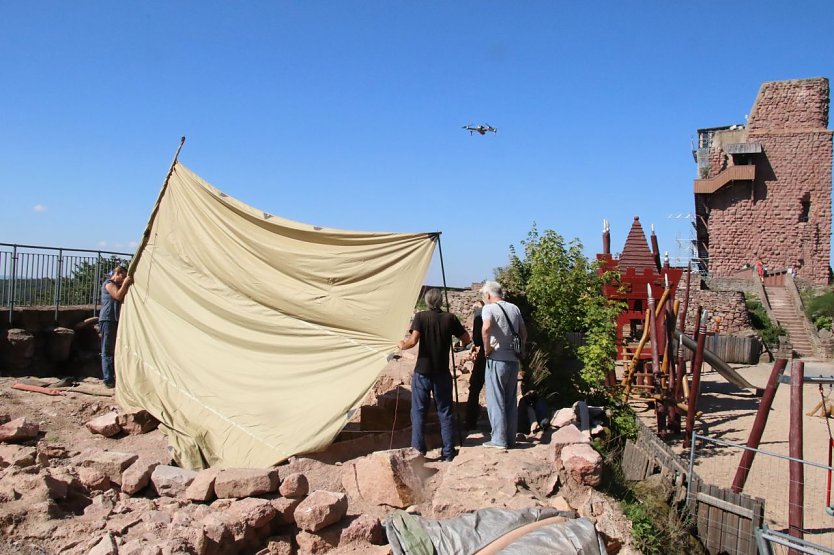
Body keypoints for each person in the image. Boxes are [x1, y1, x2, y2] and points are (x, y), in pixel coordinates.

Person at [398, 289, 471, 462]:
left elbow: (413, 341)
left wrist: (402, 344)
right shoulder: (450, 318)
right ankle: (448, 452)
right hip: (442, 372)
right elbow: (467, 338)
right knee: (445, 412)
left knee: (418, 412)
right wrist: (456, 343)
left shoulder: (421, 317)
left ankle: (418, 452)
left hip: (423, 371)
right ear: (440, 301)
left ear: (427, 301)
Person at [480, 280, 526, 449]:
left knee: (495, 399)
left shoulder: (489, 308)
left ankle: (498, 439)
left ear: (489, 294)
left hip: (497, 358)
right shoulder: (514, 308)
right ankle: (510, 438)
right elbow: (523, 332)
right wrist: (521, 350)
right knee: (509, 400)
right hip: (513, 359)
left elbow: (486, 329)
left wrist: (487, 348)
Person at [99, 266, 133, 388]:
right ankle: (108, 380)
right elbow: (118, 296)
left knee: (114, 349)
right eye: (122, 276)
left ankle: (113, 377)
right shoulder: (108, 284)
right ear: (117, 273)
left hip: (114, 319)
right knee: (107, 350)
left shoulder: (116, 284)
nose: (123, 280)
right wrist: (126, 284)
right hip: (108, 319)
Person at [465, 300, 486, 430]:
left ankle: (470, 421)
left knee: (474, 388)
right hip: (504, 355)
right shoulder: (511, 310)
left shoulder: (481, 314)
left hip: (485, 354)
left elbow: (477, 340)